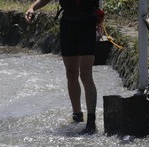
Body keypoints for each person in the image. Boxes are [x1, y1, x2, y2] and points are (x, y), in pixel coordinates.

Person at [25, 0, 101, 134]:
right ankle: (77, 116)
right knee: (71, 73)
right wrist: (32, 8)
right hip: (68, 23)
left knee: (85, 74)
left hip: (87, 22)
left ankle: (91, 122)